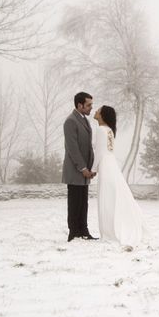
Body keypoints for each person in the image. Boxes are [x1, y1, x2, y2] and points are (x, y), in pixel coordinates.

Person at [92, 105, 144, 250]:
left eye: (98, 111)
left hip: (105, 165)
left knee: (106, 197)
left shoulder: (101, 130)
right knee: (113, 196)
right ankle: (116, 226)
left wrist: (92, 169)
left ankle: (109, 231)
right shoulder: (109, 130)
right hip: (111, 165)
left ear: (102, 115)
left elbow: (99, 152)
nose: (95, 111)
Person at [62, 92, 98, 242]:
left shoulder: (84, 120)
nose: (91, 108)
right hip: (76, 170)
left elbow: (87, 147)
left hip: (85, 171)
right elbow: (73, 148)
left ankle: (83, 231)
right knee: (75, 202)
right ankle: (74, 232)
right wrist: (83, 168)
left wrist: (90, 168)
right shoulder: (70, 121)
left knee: (83, 202)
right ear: (79, 105)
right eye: (88, 105)